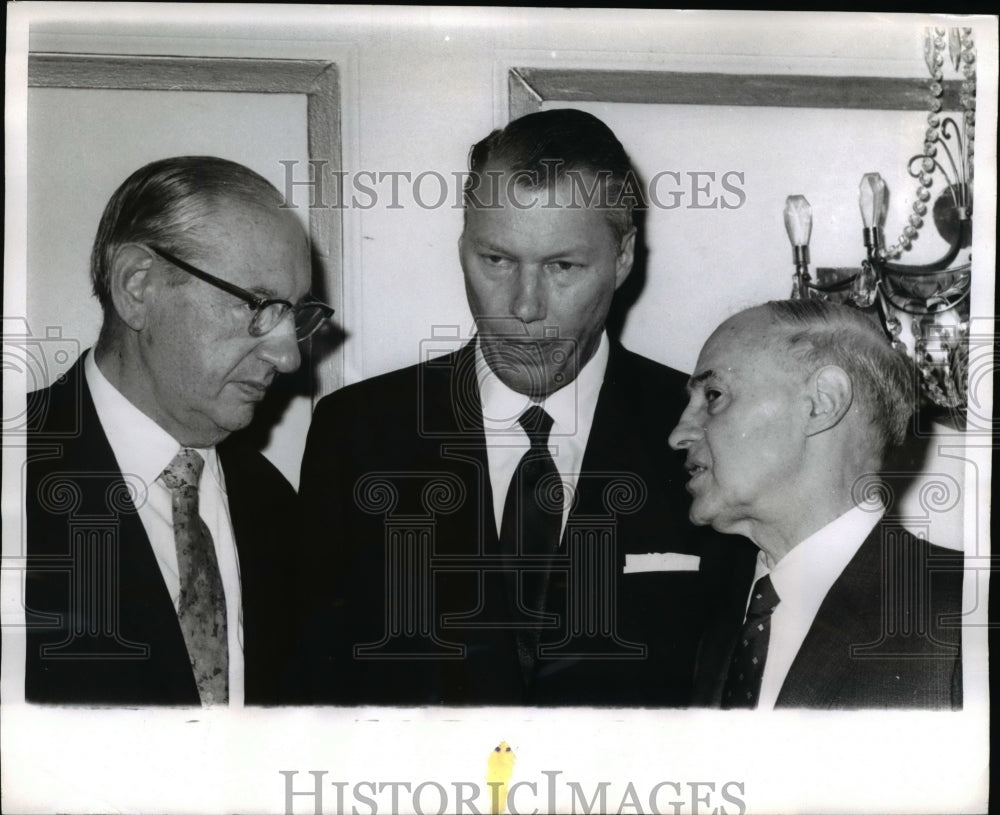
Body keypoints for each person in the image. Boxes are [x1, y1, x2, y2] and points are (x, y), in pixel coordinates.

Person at [295, 108, 729, 706]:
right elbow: (312, 691)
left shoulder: (706, 431)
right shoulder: (356, 433)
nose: (524, 307)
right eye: (496, 260)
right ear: (463, 246)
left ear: (623, 257)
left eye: (563, 266)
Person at [24, 156, 334, 706]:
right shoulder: (16, 473)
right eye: (258, 305)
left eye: (295, 315)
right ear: (137, 286)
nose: (288, 356)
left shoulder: (277, 507)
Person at [669, 299, 963, 709]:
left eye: (714, 395)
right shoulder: (723, 626)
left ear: (823, 401)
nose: (678, 434)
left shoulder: (968, 617)